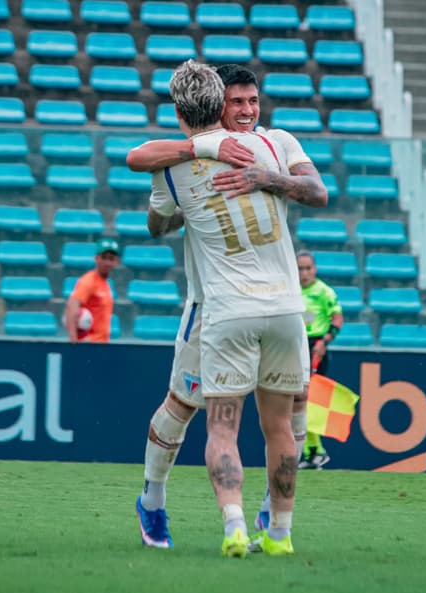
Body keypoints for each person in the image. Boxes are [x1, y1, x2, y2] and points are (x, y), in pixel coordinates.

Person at [130, 65, 327, 552]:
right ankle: (153, 500)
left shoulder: (275, 143)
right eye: (236, 102)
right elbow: (157, 218)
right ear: (216, 105)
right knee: (183, 404)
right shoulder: (183, 158)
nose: (246, 110)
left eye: (252, 101)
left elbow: (319, 193)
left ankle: (267, 512)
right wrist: (196, 196)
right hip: (211, 305)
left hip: (266, 303)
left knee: (288, 413)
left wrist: (265, 180)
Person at [295, 250, 344, 469]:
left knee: (309, 400)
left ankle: (313, 451)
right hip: (296, 346)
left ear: (314, 269)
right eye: (300, 268)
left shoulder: (325, 292)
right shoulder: (291, 291)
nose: (304, 273)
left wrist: (324, 343)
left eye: (307, 268)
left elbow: (337, 320)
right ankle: (314, 452)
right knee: (297, 401)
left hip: (316, 348)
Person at [64, 238, 119, 343]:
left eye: (111, 259)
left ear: (116, 261)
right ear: (96, 258)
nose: (107, 263)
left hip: (101, 345)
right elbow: (71, 306)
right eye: (104, 258)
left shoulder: (104, 283)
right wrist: (73, 340)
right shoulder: (89, 281)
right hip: (89, 344)